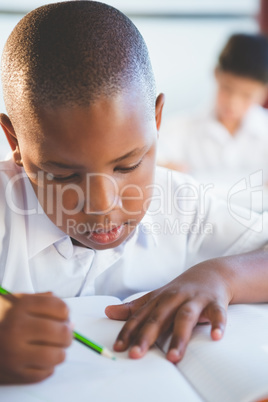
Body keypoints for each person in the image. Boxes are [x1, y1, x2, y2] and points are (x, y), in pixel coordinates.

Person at [0, 1, 268, 385]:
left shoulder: (181, 204)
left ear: (156, 122)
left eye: (126, 166)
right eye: (63, 174)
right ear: (15, 142)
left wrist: (224, 276)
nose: (102, 204)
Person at [157, 33, 268, 178]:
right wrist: (163, 168)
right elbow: (154, 159)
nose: (233, 102)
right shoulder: (179, 128)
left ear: (264, 91)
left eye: (246, 95)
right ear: (216, 74)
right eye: (227, 88)